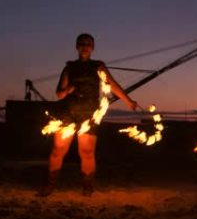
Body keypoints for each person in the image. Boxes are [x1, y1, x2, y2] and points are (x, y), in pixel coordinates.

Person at [38, 33, 138, 197]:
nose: (85, 46)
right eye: (82, 43)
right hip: (68, 112)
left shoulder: (98, 66)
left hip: (89, 113)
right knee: (58, 150)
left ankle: (87, 188)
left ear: (92, 48)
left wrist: (129, 101)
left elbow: (112, 85)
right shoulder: (69, 67)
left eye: (88, 44)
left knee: (87, 152)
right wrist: (69, 89)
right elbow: (59, 94)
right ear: (77, 47)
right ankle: (49, 186)